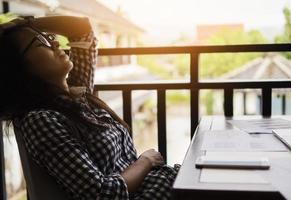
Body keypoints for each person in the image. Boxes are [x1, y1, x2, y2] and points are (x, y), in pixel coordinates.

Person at [0, 16, 180, 200]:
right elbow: (101, 194)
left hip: (170, 184)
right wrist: (145, 161)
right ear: (19, 68)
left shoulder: (76, 93)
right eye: (40, 44)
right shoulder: (41, 120)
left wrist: (25, 25)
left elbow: (81, 29)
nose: (54, 43)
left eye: (48, 38)